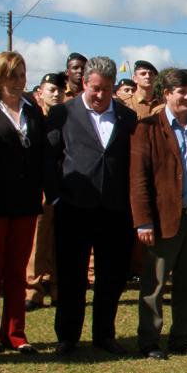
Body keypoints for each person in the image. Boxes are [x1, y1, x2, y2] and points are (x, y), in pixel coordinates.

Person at [130, 69, 187, 359]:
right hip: (163, 219)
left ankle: (181, 338)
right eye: (180, 91)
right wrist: (143, 220)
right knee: (155, 284)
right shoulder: (148, 128)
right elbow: (138, 178)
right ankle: (149, 341)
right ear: (167, 95)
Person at [47, 56, 138, 355]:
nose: (100, 95)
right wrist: (56, 195)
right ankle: (68, 337)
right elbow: (49, 158)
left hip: (115, 210)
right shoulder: (62, 113)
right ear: (84, 83)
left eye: (107, 89)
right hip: (73, 208)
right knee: (72, 275)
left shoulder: (127, 118)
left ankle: (104, 334)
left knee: (111, 277)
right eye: (95, 88)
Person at [0, 51, 56, 355]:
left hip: (25, 204)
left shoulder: (32, 111)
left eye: (23, 74)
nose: (20, 80)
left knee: (16, 271)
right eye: (14, 75)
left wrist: (50, 190)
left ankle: (15, 334)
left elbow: (42, 156)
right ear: (0, 76)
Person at [25, 72, 66, 311]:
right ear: (40, 92)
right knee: (38, 242)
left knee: (61, 241)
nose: (56, 93)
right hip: (40, 188)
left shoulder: (67, 116)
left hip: (64, 185)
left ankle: (58, 289)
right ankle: (34, 290)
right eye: (51, 89)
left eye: (59, 90)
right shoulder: (33, 116)